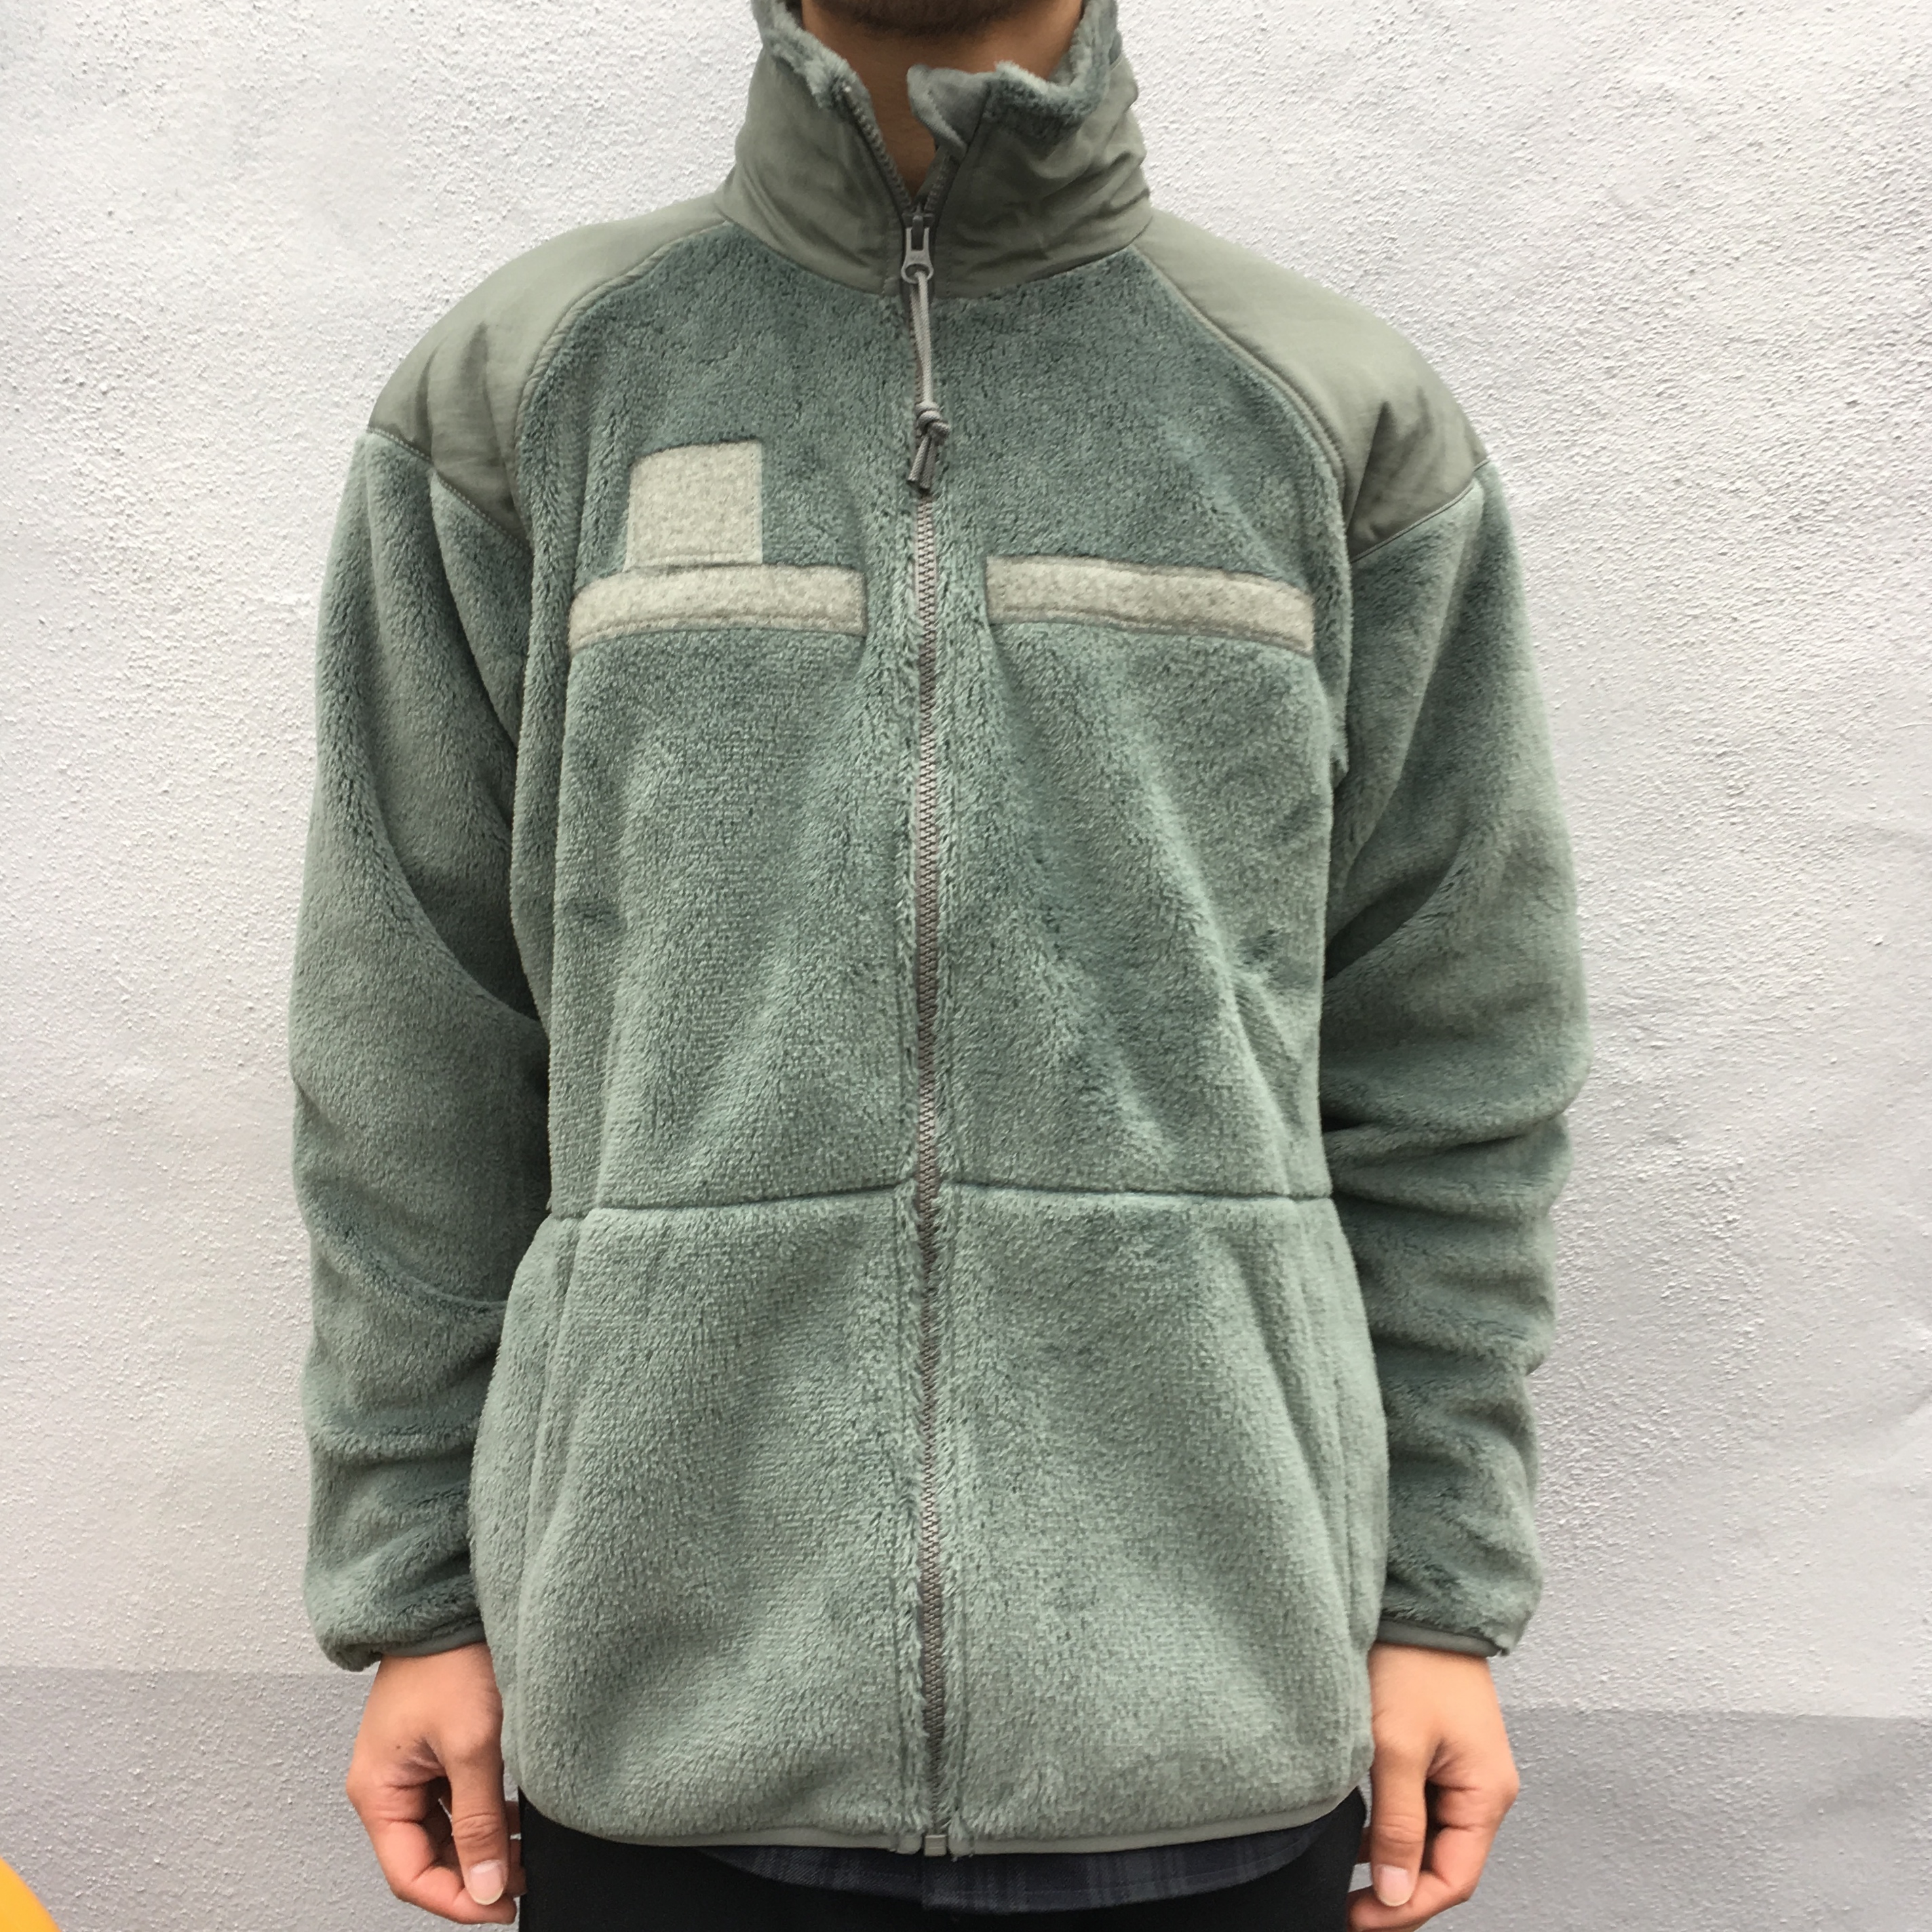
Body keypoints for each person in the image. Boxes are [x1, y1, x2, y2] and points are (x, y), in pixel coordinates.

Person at [286, 0, 1591, 1925]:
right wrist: (411, 1593)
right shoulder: (526, 394)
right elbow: (411, 1035)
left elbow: (1458, 1044)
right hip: (658, 1733)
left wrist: (1439, 1599)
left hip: (1215, 1728)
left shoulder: (1331, 414)